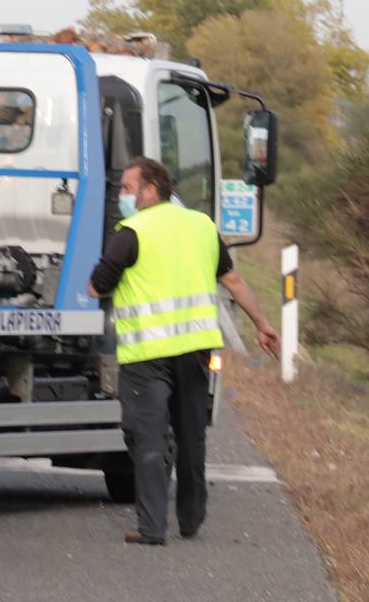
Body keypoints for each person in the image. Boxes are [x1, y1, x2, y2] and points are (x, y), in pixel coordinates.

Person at [88, 156, 280, 545]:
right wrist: (262, 323)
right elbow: (233, 280)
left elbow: (97, 286)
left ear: (150, 190)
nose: (122, 195)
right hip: (194, 350)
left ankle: (151, 527)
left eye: (127, 188)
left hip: (146, 354)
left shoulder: (131, 230)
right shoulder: (202, 226)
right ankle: (191, 519)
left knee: (148, 437)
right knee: (192, 435)